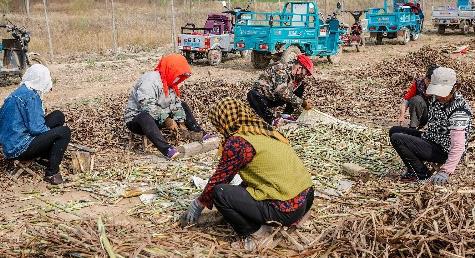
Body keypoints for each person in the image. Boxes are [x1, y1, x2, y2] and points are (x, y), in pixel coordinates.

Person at [181, 98, 314, 251]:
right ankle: (280, 220)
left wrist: (199, 203)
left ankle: (257, 235)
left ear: (222, 120)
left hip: (286, 210)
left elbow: (220, 180)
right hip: (306, 199)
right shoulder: (265, 131)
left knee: (220, 193)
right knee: (240, 187)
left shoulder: (238, 142)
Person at [390, 67, 472, 185]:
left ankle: (421, 174)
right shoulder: (435, 98)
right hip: (431, 138)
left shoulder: (459, 111)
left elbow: (458, 146)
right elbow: (410, 98)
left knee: (397, 138)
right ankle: (414, 167)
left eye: (442, 92)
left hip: (444, 149)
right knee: (394, 130)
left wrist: (446, 171)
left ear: (455, 88)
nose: (439, 96)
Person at [124, 54, 208, 159]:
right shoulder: (150, 81)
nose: (178, 79)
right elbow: (148, 107)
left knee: (183, 104)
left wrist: (181, 122)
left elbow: (175, 104)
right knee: (144, 116)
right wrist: (167, 120)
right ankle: (167, 149)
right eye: (178, 74)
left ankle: (200, 133)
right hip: (138, 121)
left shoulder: (170, 82)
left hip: (158, 118)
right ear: (171, 69)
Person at [0, 64, 71, 185]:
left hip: (10, 142)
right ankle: (52, 173)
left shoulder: (21, 91)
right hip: (19, 147)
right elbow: (36, 128)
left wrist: (49, 133)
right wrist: (51, 133)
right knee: (64, 132)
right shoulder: (31, 96)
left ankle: (45, 156)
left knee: (58, 115)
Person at [247, 54, 315, 125]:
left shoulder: (297, 77)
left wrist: (304, 102)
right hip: (264, 98)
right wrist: (302, 103)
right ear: (299, 68)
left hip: (276, 98)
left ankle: (286, 114)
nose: (305, 75)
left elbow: (292, 95)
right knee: (252, 94)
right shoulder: (281, 69)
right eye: (306, 72)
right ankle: (271, 120)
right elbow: (282, 91)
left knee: (300, 87)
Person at [397, 65, 438, 129]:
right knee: (416, 100)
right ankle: (413, 126)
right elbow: (406, 100)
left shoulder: (441, 88)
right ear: (425, 78)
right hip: (423, 114)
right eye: (428, 81)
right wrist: (402, 115)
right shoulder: (418, 84)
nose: (430, 84)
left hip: (436, 116)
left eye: (432, 83)